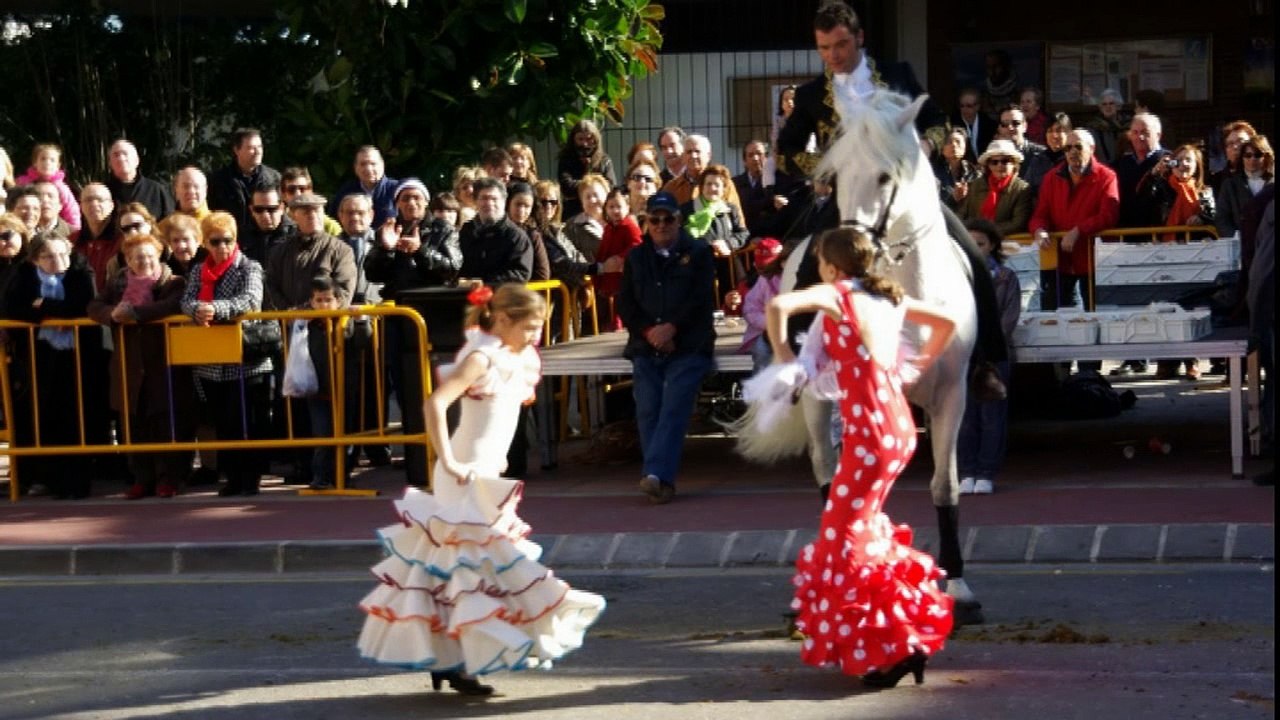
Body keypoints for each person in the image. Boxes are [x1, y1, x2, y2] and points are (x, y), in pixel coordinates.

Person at [357, 284, 605, 694]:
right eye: (529, 327)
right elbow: (435, 404)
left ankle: (450, 658)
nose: (535, 336)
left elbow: (499, 415)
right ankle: (461, 661)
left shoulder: (517, 357)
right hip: (464, 475)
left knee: (468, 570)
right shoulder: (480, 357)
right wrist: (449, 460)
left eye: (538, 327)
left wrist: (496, 457)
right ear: (502, 319)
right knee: (469, 568)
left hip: (488, 475)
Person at [764, 226, 955, 687]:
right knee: (860, 532)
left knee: (843, 538)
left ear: (830, 266)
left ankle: (892, 648)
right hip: (898, 430)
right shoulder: (889, 299)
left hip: (869, 437)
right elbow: (946, 323)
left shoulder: (837, 295)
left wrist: (782, 354)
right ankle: (899, 639)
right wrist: (914, 367)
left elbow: (777, 305)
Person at [776, 1, 947, 183]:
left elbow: (938, 121)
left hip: (902, 187)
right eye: (824, 48)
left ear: (859, 37)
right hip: (845, 197)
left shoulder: (898, 75)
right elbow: (783, 152)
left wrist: (925, 147)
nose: (832, 55)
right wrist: (829, 165)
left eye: (841, 44)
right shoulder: (811, 94)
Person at [617, 192, 715, 505]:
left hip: (689, 344)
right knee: (647, 407)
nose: (661, 225)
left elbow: (700, 300)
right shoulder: (636, 257)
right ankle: (659, 478)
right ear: (646, 222)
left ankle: (657, 475)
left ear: (679, 220)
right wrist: (650, 331)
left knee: (674, 403)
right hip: (647, 345)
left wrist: (671, 327)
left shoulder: (699, 252)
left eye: (668, 218)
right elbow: (626, 303)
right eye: (654, 219)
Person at [86, 232, 191, 499]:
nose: (143, 261)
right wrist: (112, 314)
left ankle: (170, 478)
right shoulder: (118, 283)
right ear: (128, 261)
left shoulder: (173, 281)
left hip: (163, 364)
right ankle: (142, 479)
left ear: (158, 256)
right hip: (129, 366)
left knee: (167, 423)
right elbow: (94, 305)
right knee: (135, 425)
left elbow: (170, 305)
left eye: (148, 256)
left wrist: (134, 314)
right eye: (136, 257)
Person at [180, 212, 273, 497]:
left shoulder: (249, 267)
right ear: (205, 243)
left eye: (227, 241)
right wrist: (196, 309)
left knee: (250, 422)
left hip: (246, 360)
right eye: (215, 241)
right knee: (224, 423)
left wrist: (215, 309)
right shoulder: (198, 271)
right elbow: (186, 299)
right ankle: (232, 478)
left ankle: (251, 478)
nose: (222, 247)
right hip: (211, 360)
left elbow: (250, 300)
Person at [2, 235, 96, 499]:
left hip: (75, 356)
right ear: (35, 260)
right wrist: (54, 311)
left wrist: (44, 306)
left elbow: (82, 305)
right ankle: (47, 478)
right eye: (49, 256)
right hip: (38, 355)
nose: (58, 262)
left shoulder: (79, 274)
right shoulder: (24, 276)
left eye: (62, 254)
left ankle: (77, 481)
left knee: (74, 416)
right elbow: (16, 309)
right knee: (43, 414)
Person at [957, 219, 1020, 495]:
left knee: (992, 416)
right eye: (969, 243)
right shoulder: (955, 276)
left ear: (992, 245)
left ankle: (986, 473)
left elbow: (1009, 318)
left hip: (994, 354)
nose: (975, 249)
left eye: (980, 244)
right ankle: (966, 472)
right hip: (962, 355)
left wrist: (989, 343)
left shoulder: (1006, 277)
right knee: (964, 417)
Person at [1030, 129, 1119, 316]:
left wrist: (1079, 230)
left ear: (1092, 148)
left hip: (1093, 262)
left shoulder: (1106, 176)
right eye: (1067, 148)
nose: (1072, 152)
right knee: (1057, 319)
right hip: (1059, 261)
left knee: (1095, 317)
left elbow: (1108, 215)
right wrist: (1039, 230)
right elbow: (1040, 214)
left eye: (1078, 147)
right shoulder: (1051, 177)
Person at [1147, 144, 1217, 380]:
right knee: (1164, 306)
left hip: (1194, 254)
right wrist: (1155, 173)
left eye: (1189, 160)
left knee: (1191, 307)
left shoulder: (1205, 191)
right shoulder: (1162, 188)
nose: (1184, 165)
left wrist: (1203, 217)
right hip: (1165, 253)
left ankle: (1192, 360)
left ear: (1197, 166)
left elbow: (1215, 217)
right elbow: (1144, 201)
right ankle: (1166, 361)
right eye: (1179, 160)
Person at [457, 177, 534, 287]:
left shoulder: (516, 236)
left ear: (504, 202)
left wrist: (484, 283)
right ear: (476, 201)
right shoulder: (467, 231)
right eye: (484, 198)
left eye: (494, 199)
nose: (489, 203)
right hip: (465, 297)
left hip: (502, 298)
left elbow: (520, 273)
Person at [208, 128, 281, 237]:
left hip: (268, 240)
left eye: (260, 147)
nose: (258, 152)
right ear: (237, 150)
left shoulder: (274, 178)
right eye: (251, 148)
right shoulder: (219, 180)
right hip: (233, 239)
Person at [959, 139, 1034, 236]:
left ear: (1014, 164)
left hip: (1008, 242)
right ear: (988, 165)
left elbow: (1018, 223)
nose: (999, 165)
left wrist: (987, 232)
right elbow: (962, 214)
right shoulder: (975, 185)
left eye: (1005, 161)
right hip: (974, 240)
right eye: (994, 162)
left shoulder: (1022, 189)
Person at [594, 187, 642, 329]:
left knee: (624, 299)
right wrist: (598, 268)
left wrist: (621, 258)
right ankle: (615, 323)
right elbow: (603, 250)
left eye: (619, 206)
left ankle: (621, 323)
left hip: (625, 273)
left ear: (627, 207)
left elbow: (637, 244)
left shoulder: (629, 226)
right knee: (614, 300)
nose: (615, 211)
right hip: (610, 274)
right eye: (611, 207)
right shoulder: (608, 229)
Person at [1217, 136, 1274, 239]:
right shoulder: (1230, 185)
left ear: (1266, 157)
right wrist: (1234, 235)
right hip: (1242, 242)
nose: (1252, 159)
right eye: (1248, 155)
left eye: (1258, 155)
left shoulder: (1272, 183)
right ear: (1242, 158)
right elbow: (1222, 217)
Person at [558, 118, 616, 218]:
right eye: (580, 139)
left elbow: (610, 186)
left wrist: (581, 185)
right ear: (573, 140)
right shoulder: (566, 159)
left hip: (600, 212)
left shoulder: (604, 160)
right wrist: (595, 185)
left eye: (589, 139)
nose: (585, 144)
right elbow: (566, 186)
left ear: (596, 140)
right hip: (573, 212)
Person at [327, 146, 398, 227]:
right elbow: (333, 221)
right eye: (363, 164)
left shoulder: (397, 190)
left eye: (373, 164)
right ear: (355, 168)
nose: (368, 168)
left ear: (382, 165)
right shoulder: (346, 191)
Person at [15, 143, 80, 232]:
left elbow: (71, 211)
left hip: (53, 229)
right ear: (35, 163)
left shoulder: (61, 188)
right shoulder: (23, 183)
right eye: (43, 159)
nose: (47, 163)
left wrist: (75, 231)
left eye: (52, 160)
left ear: (58, 166)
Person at [105, 139, 175, 221]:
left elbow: (169, 222)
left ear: (136, 160)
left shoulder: (156, 190)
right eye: (116, 155)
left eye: (125, 153)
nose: (121, 158)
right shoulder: (103, 192)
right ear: (110, 163)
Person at [733, 140, 775, 236]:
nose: (755, 158)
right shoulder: (735, 184)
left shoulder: (776, 182)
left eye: (759, 154)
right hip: (743, 238)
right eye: (750, 155)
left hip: (769, 238)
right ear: (744, 161)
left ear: (766, 157)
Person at [934, 127, 980, 210]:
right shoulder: (934, 174)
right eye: (949, 142)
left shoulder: (973, 173)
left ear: (965, 147)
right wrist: (953, 198)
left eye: (958, 142)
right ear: (942, 148)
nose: (954, 145)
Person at [950, 87, 996, 164]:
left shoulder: (989, 125)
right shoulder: (953, 122)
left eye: (969, 106)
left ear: (977, 106)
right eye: (962, 106)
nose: (965, 109)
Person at [1086, 89, 1129, 166]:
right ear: (1100, 107)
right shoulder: (1093, 128)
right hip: (1103, 169)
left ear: (1118, 106)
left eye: (1111, 103)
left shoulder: (1128, 125)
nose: (1107, 107)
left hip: (1126, 168)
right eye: (1104, 104)